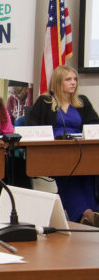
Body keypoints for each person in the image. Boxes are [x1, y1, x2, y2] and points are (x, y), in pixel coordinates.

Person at [27, 65, 99, 225]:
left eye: (75, 79)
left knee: (89, 173)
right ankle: (85, 214)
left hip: (81, 148)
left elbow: (94, 123)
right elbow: (30, 125)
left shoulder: (82, 102)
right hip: (56, 152)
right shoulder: (45, 101)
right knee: (68, 175)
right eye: (68, 79)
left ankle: (92, 213)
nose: (73, 83)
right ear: (58, 82)